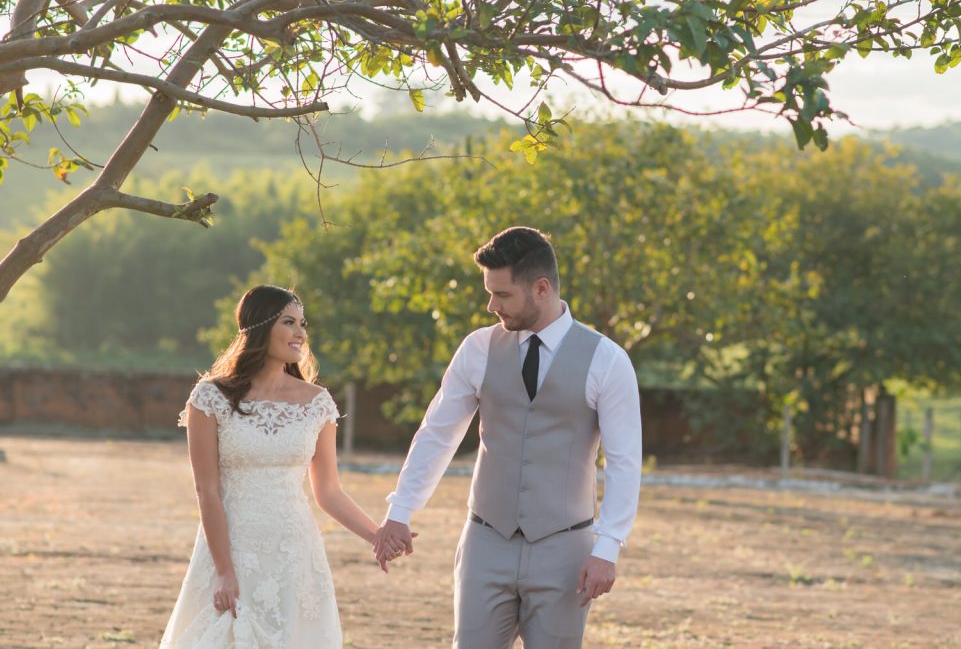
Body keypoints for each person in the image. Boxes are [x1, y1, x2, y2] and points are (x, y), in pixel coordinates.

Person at [374, 227, 643, 648]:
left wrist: (607, 548)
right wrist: (401, 510)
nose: (490, 305)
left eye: (502, 295)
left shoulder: (607, 360)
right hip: (486, 541)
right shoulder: (477, 349)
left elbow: (625, 462)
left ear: (540, 288)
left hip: (566, 548)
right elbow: (438, 434)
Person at [161, 285, 393, 648]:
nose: (300, 333)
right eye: (289, 322)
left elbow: (329, 491)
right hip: (230, 547)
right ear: (259, 327)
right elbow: (206, 490)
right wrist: (224, 571)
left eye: (303, 324)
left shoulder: (317, 402)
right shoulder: (210, 397)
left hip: (293, 551)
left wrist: (377, 535)